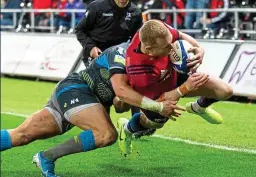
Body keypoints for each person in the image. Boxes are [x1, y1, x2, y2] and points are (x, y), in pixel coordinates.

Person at [1, 41, 207, 177]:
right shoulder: (128, 58)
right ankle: (46, 156)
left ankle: (45, 157)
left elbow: (119, 104)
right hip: (77, 91)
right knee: (106, 134)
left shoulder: (148, 61)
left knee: (21, 136)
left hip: (80, 96)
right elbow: (121, 94)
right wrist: (160, 104)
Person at [117, 20, 233, 156]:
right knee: (154, 123)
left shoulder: (155, 30)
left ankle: (198, 107)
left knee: (225, 91)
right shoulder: (139, 72)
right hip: (158, 93)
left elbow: (180, 35)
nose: (172, 48)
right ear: (150, 50)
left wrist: (199, 48)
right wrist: (185, 88)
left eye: (171, 42)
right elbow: (159, 102)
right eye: (167, 47)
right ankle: (126, 129)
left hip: (175, 74)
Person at [75, 0, 143, 115]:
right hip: (97, 56)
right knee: (102, 93)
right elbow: (80, 30)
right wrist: (91, 47)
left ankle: (137, 124)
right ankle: (102, 127)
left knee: (134, 86)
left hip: (119, 56)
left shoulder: (135, 13)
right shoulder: (97, 7)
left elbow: (136, 40)